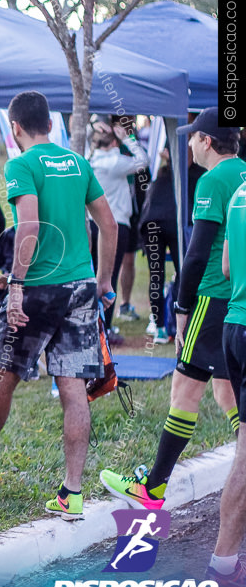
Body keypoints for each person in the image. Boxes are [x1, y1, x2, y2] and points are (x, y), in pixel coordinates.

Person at [0, 91, 118, 520]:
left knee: (3, 378)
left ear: (14, 128)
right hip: (80, 287)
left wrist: (15, 282)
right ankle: (72, 492)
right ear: (50, 125)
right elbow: (107, 224)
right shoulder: (77, 162)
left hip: (37, 288)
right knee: (73, 388)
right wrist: (104, 280)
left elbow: (29, 224)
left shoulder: (20, 164)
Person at [101, 108, 243, 509]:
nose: (191, 144)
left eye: (195, 137)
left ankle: (153, 488)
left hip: (213, 298)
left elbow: (196, 253)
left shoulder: (212, 181)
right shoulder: (244, 174)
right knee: (226, 390)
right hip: (238, 299)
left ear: (207, 142)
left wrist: (181, 307)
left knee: (184, 390)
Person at [206, 179, 246, 587]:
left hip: (235, 325)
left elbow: (228, 268)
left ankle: (224, 562)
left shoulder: (238, 193)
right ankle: (222, 564)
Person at [139, 148, 206, 343]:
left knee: (164, 274)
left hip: (154, 222)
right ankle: (166, 324)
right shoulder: (194, 174)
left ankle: (163, 325)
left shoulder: (166, 172)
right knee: (179, 273)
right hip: (167, 223)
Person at [88, 119, 148, 331]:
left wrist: (94, 126)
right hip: (116, 225)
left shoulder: (90, 160)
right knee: (109, 276)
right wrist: (128, 139)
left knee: (92, 273)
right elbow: (143, 160)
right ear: (114, 142)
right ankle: (105, 326)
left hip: (91, 224)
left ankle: (92, 323)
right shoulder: (117, 162)